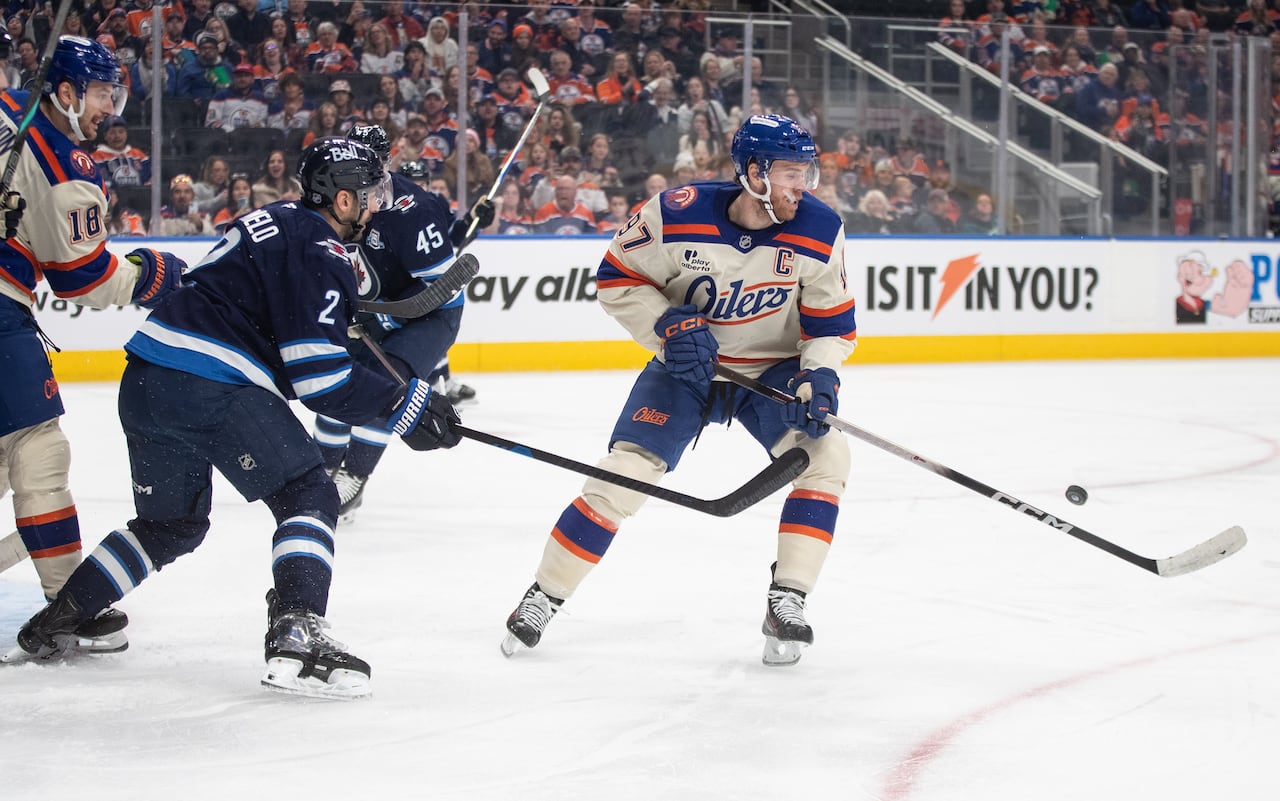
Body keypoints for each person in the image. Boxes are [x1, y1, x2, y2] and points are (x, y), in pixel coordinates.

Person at [8, 138, 463, 697]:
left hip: (147, 377)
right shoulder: (323, 251)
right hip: (212, 382)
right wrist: (408, 405)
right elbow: (318, 380)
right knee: (309, 494)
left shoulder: (270, 218)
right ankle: (297, 631)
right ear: (342, 200)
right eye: (370, 195)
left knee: (170, 525)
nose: (376, 206)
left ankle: (61, 618)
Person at [500, 114, 855, 667]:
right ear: (754, 173)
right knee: (625, 473)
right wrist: (666, 325)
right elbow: (616, 278)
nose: (802, 187)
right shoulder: (674, 212)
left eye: (807, 173)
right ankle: (544, 595)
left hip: (770, 373)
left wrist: (821, 374)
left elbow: (829, 325)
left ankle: (788, 597)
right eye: (790, 173)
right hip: (686, 368)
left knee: (827, 457)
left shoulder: (819, 228)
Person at [0, 36, 182, 656]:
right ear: (69, 93)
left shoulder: (3, 107)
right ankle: (65, 603)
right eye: (104, 94)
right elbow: (83, 278)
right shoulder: (67, 172)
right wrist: (148, 275)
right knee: (36, 450)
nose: (112, 107)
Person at [313, 125, 494, 525]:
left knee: (383, 386)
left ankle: (354, 478)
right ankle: (319, 472)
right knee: (334, 385)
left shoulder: (414, 211)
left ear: (385, 162)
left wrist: (382, 312)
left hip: (426, 318)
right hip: (370, 309)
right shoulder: (335, 201)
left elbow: (439, 291)